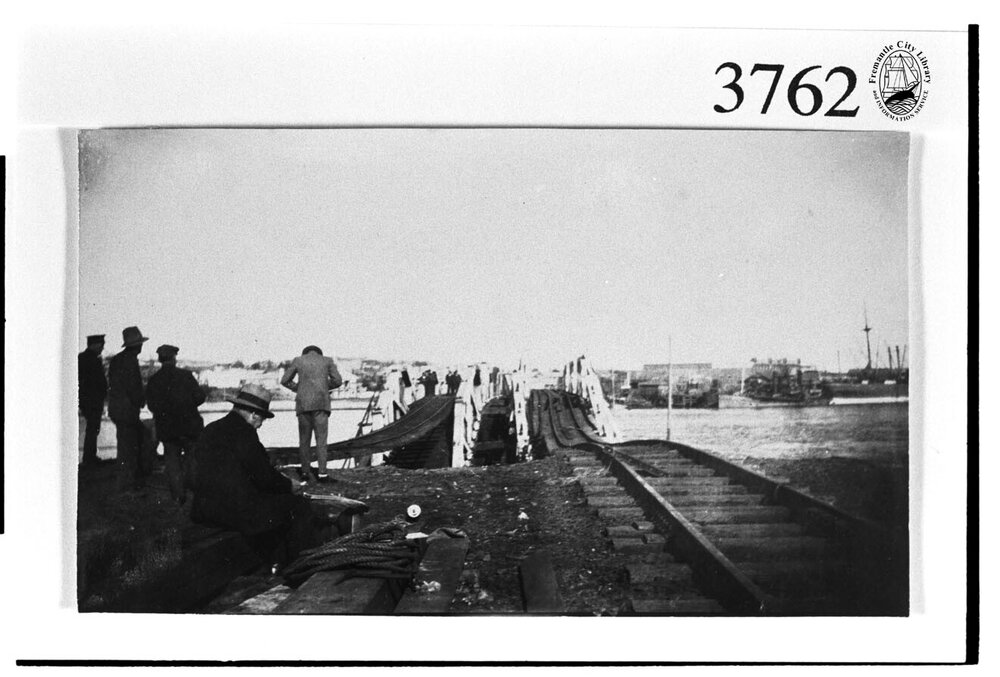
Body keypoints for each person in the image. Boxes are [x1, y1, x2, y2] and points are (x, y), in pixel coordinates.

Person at [189, 384, 324, 566]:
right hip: (233, 512)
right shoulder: (245, 434)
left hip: (203, 510)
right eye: (262, 419)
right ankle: (301, 565)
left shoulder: (211, 429)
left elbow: (192, 473)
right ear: (254, 415)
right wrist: (288, 485)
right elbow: (264, 478)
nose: (260, 425)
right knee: (298, 506)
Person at [145, 344, 206, 504]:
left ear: (160, 359)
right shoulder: (186, 376)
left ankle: (178, 496)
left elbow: (151, 406)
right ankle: (196, 491)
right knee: (193, 458)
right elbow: (200, 397)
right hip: (190, 426)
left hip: (167, 429)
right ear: (174, 358)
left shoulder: (154, 380)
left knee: (172, 461)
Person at [280, 345, 343, 484]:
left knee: (304, 440)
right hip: (321, 404)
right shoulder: (327, 361)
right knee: (321, 441)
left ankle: (304, 473)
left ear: (305, 353)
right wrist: (325, 387)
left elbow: (284, 381)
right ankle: (322, 474)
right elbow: (338, 381)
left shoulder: (298, 360)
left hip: (303, 404)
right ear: (319, 353)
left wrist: (299, 388)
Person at [108, 326, 152, 491]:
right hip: (127, 411)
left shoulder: (117, 359)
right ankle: (128, 483)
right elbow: (134, 387)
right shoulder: (130, 361)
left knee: (126, 444)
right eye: (140, 343)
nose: (141, 346)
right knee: (131, 445)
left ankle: (126, 480)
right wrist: (140, 400)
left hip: (117, 409)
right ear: (137, 345)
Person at [78, 334, 109, 467]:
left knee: (92, 428)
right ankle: (89, 457)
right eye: (101, 345)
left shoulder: (83, 358)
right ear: (95, 344)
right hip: (92, 399)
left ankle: (89, 456)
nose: (103, 347)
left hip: (88, 399)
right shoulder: (92, 360)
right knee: (93, 428)